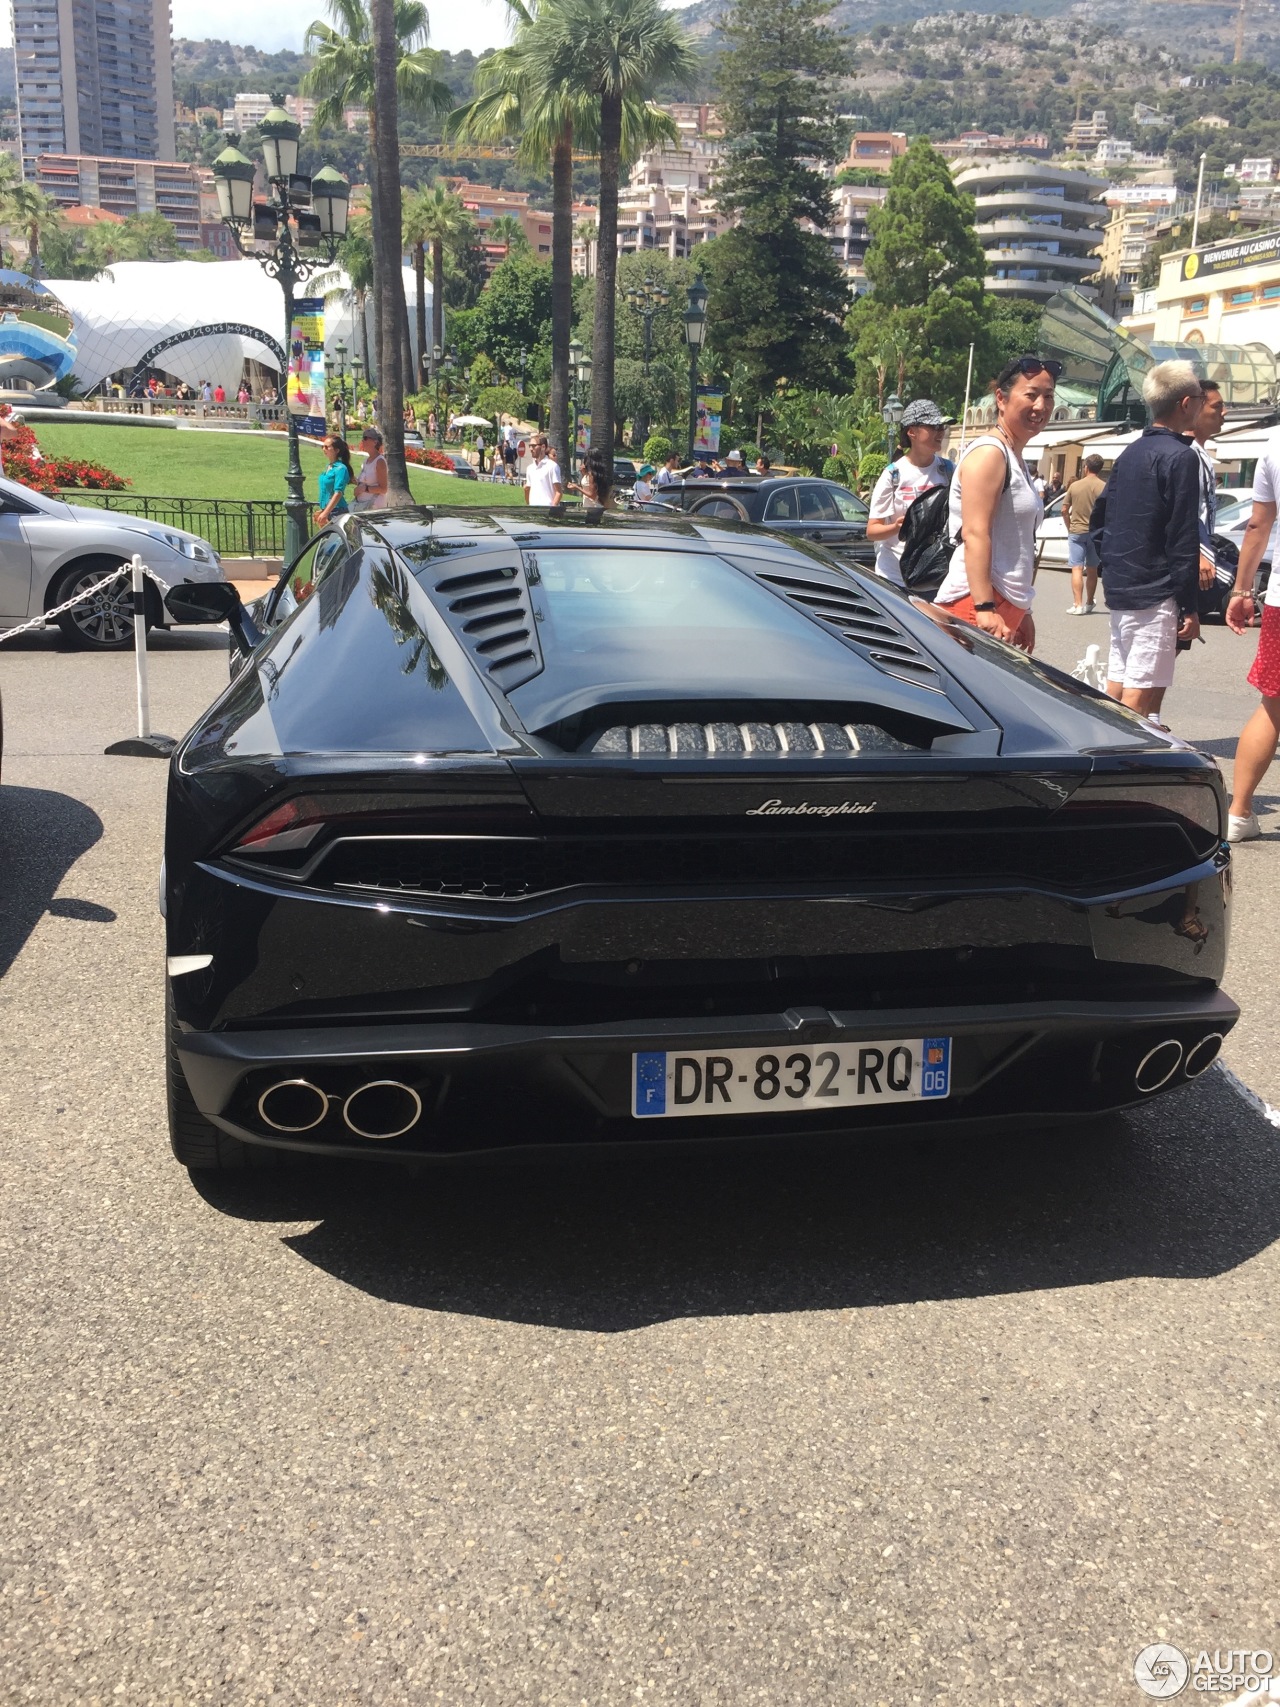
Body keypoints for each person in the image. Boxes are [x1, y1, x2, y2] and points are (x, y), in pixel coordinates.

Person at [1093, 360, 1203, 721]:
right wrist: (1188, 604)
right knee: (1138, 700)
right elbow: (1181, 535)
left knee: (1117, 683)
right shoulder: (1182, 457)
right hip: (1156, 589)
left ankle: (1106, 752)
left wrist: (1111, 564)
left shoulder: (1129, 453)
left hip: (1122, 585)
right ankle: (1118, 769)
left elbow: (1100, 517)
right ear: (1185, 403)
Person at [932, 357, 1057, 651]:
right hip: (976, 604)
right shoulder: (990, 453)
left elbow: (1015, 542)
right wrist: (985, 607)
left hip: (1000, 604)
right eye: (1031, 394)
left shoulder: (1014, 457)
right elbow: (975, 533)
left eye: (1048, 396)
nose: (1041, 405)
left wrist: (1024, 610)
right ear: (1001, 398)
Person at [1221, 424, 1280, 841]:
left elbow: (1258, 524)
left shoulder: (1275, 442)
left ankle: (1239, 813)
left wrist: (1242, 590)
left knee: (1274, 706)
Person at [866, 398, 954, 588]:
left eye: (942, 427)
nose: (940, 432)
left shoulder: (948, 471)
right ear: (912, 432)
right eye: (934, 427)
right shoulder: (893, 474)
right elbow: (872, 531)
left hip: (933, 576)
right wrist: (898, 527)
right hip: (893, 577)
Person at [1065, 453, 1106, 615]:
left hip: (1077, 531)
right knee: (1092, 569)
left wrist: (1069, 526)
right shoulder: (1104, 486)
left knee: (1076, 567)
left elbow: (1063, 509)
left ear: (1086, 467)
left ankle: (1078, 604)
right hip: (1095, 532)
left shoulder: (1075, 486)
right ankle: (1089, 602)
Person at [314, 434, 353, 527]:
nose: (324, 449)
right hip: (329, 511)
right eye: (322, 446)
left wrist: (325, 513)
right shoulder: (328, 467)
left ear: (337, 450)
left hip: (337, 512)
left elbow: (338, 493)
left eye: (327, 447)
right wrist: (323, 510)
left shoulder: (341, 468)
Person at [353, 427, 389, 509]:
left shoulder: (380, 462)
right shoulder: (366, 461)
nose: (362, 441)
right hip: (361, 505)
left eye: (365, 438)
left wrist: (365, 489)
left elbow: (383, 489)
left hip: (373, 506)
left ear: (375, 442)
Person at [524, 435, 563, 506]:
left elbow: (559, 492)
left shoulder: (552, 466)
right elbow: (528, 491)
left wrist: (552, 509)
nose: (530, 449)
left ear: (543, 447)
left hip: (548, 511)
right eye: (530, 446)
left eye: (533, 446)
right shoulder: (530, 468)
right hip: (533, 511)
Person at [574, 445, 616, 510]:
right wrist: (583, 473)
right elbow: (588, 486)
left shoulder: (592, 474)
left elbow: (592, 495)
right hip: (591, 506)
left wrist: (577, 488)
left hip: (593, 507)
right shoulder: (594, 473)